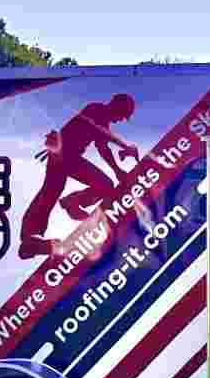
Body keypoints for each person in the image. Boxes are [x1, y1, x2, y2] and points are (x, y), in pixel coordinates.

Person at [17, 93, 141, 259]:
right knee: (54, 191)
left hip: (63, 156)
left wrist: (118, 168)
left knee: (50, 192)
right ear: (116, 106)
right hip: (65, 155)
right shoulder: (95, 109)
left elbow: (103, 147)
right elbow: (101, 133)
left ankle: (30, 239)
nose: (120, 120)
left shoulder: (102, 119)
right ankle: (35, 234)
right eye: (122, 115)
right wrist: (124, 148)